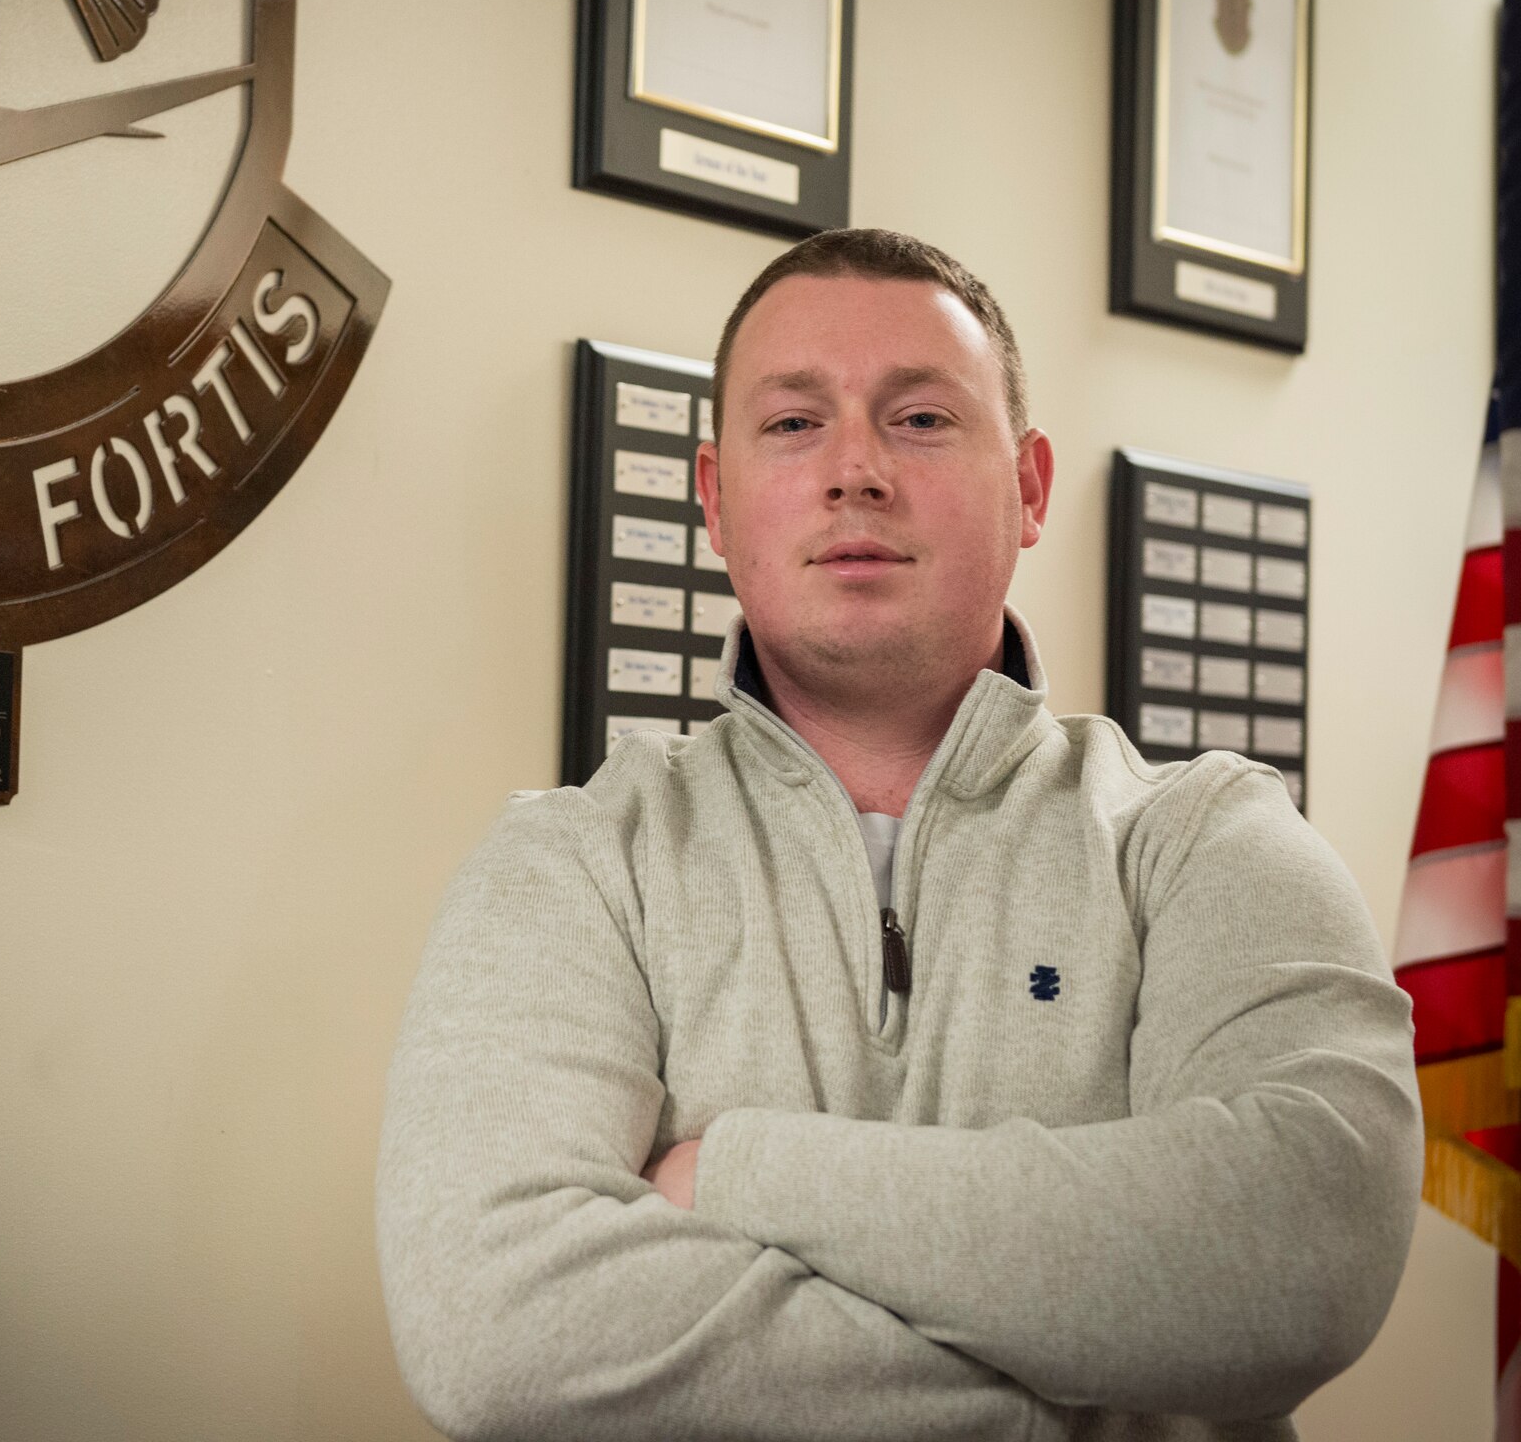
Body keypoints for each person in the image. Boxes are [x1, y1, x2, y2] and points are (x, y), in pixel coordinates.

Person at [376, 228, 1421, 1441]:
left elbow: (1300, 1251)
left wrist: (736, 1172)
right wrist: (1078, 1409)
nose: (855, 470)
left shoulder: (1206, 841)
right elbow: (497, 1326)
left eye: (920, 419)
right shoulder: (569, 863)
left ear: (1027, 489)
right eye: (792, 423)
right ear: (713, 500)